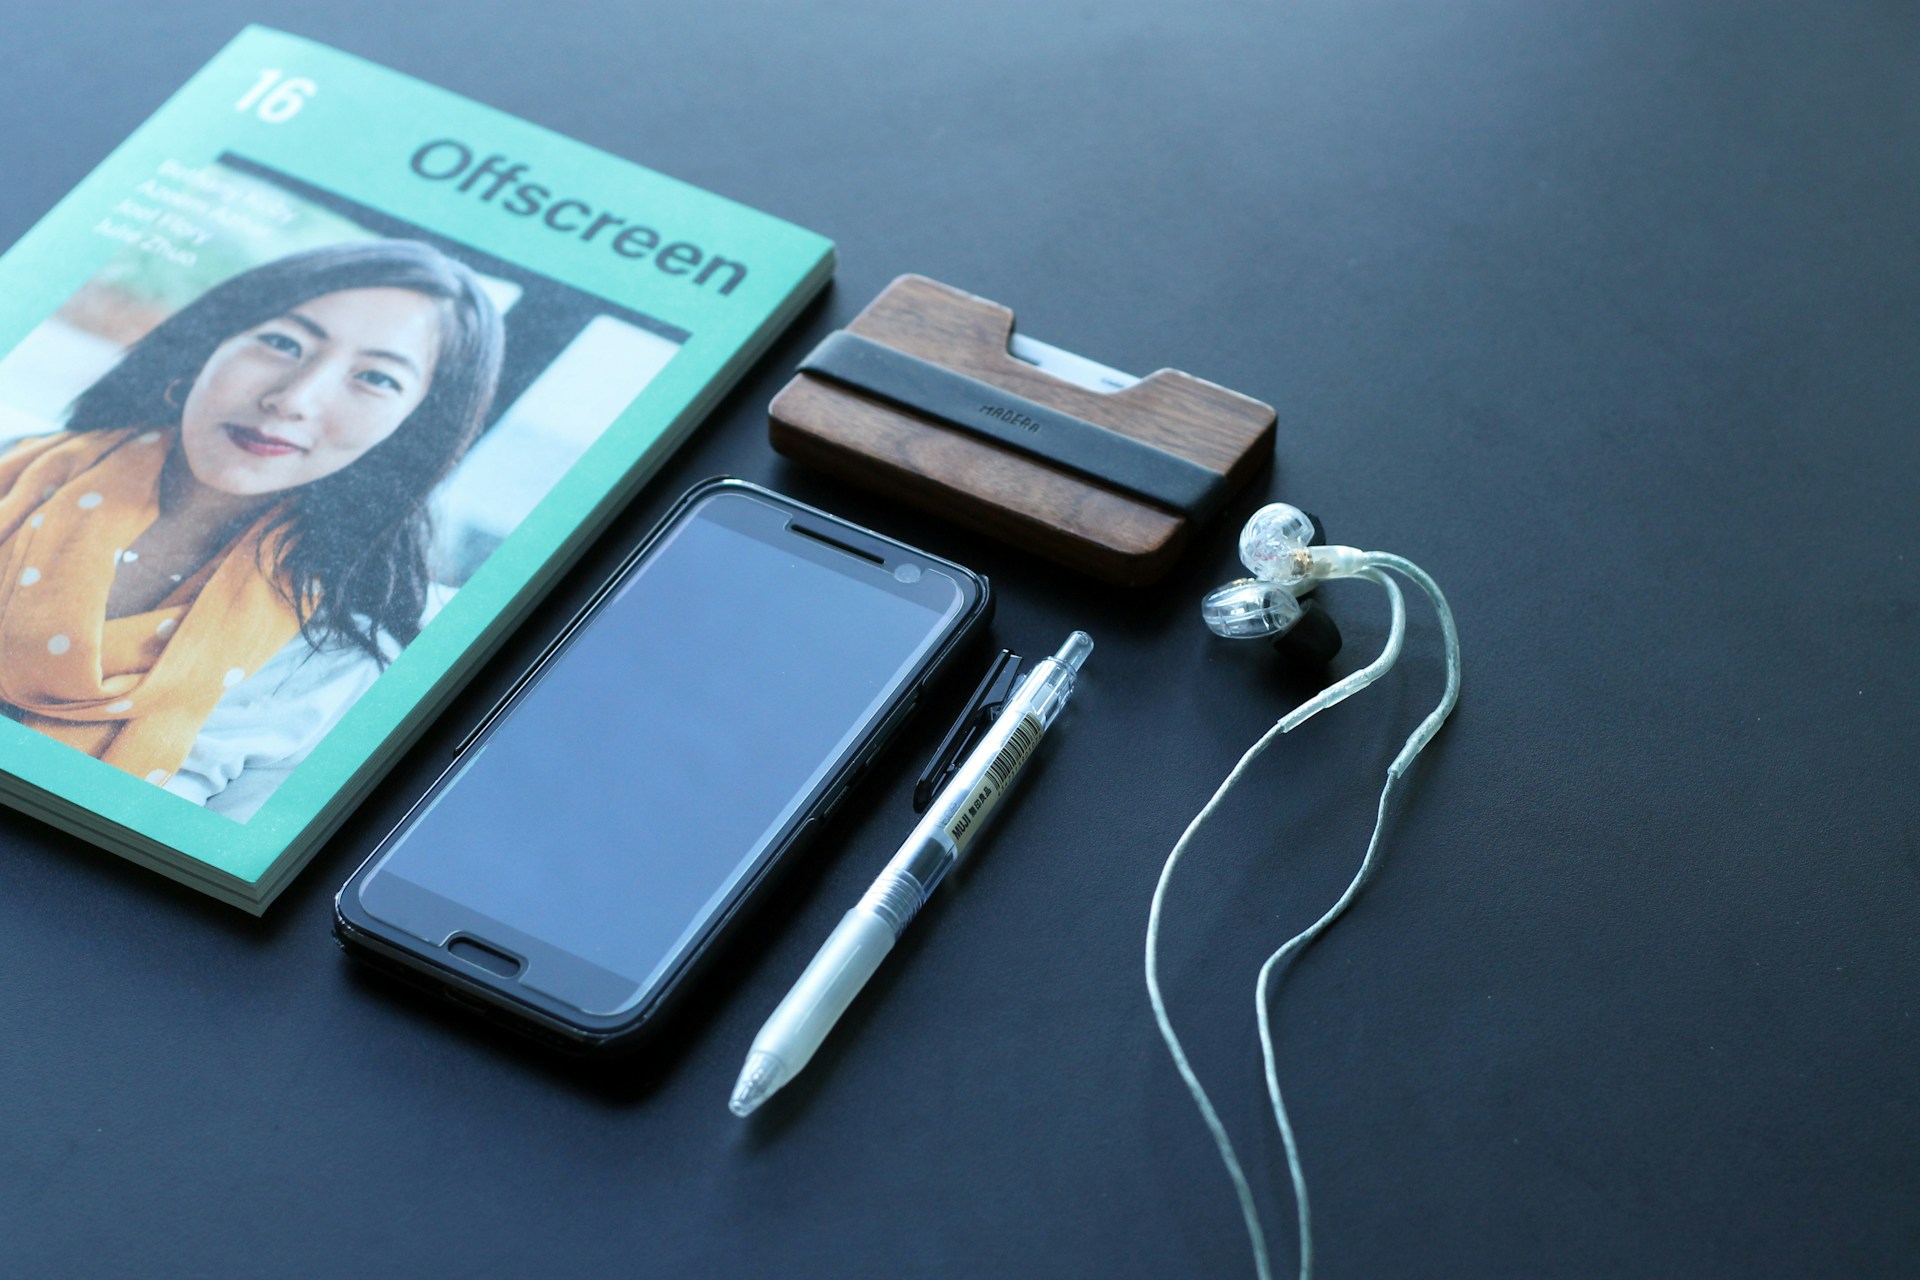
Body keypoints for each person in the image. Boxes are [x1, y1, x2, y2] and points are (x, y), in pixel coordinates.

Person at [0, 239, 504, 820]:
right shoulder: (14, 465)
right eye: (283, 343)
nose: (292, 399)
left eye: (376, 378)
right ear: (211, 341)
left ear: (412, 428)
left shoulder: (340, 663)